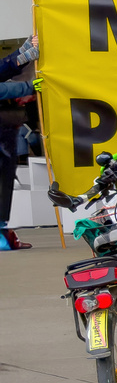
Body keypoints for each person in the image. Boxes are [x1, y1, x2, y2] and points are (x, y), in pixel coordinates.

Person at [0, 37, 38, 250]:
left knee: (4, 179)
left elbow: (3, 68)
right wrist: (27, 88)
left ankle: (3, 231)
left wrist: (25, 52)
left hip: (5, 130)